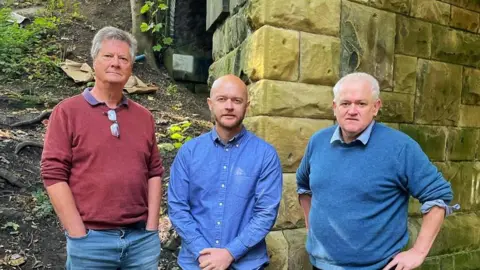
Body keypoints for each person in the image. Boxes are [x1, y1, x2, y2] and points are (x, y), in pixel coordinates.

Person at [296, 72, 457, 270]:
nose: (352, 110)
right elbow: (303, 187)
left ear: (376, 107)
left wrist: (418, 252)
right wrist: (312, 228)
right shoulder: (318, 141)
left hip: (379, 266)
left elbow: (438, 197)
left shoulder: (400, 147)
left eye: (361, 104)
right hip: (320, 265)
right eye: (345, 103)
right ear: (335, 107)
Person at [41, 26, 163, 269]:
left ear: (131, 67)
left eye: (123, 58)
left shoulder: (144, 117)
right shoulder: (67, 112)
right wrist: (77, 232)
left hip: (141, 243)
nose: (115, 63)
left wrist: (151, 228)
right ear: (94, 61)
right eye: (108, 56)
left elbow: (154, 172)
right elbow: (53, 174)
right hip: (90, 242)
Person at [168, 74, 283, 270]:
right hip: (197, 263)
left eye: (236, 100)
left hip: (247, 264)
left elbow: (265, 213)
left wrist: (231, 253)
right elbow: (178, 208)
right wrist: (203, 253)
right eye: (222, 99)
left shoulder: (265, 155)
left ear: (247, 106)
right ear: (210, 103)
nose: (229, 106)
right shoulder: (189, 152)